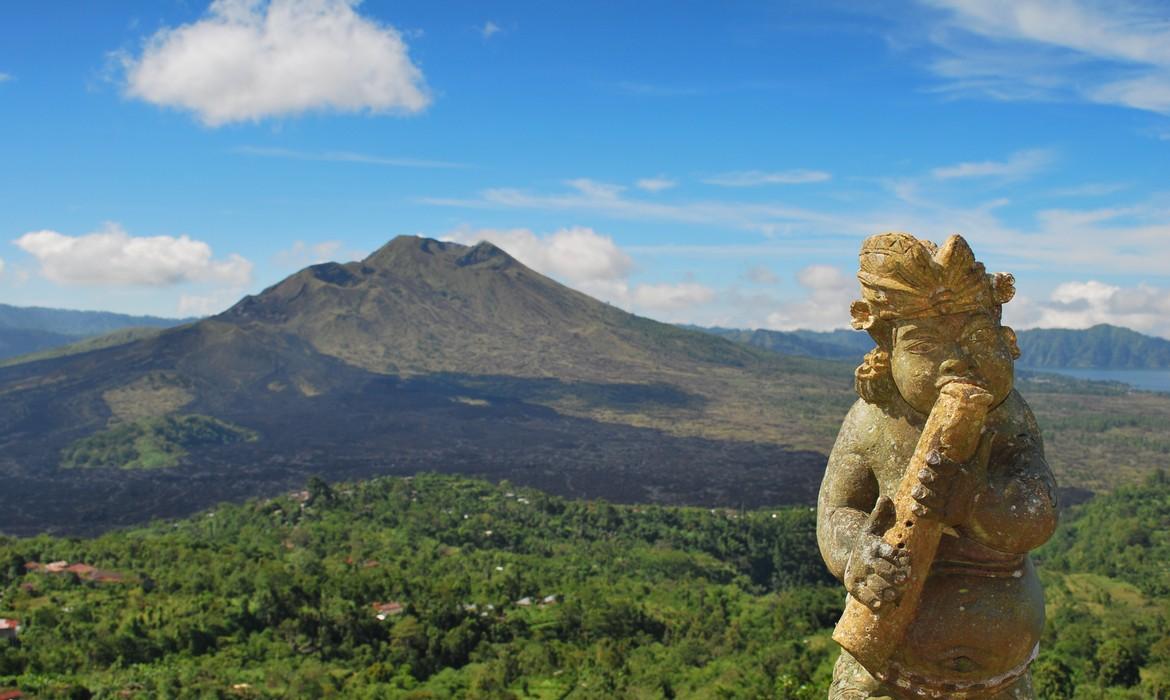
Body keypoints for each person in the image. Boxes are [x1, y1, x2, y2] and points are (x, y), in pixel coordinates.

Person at [818, 232, 1057, 700]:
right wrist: (858, 557)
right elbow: (836, 511)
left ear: (1006, 340)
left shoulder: (1008, 418)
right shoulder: (874, 419)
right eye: (926, 343)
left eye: (976, 337)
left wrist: (976, 501)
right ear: (887, 355)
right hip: (886, 673)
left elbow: (1040, 511)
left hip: (1000, 680)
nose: (957, 360)